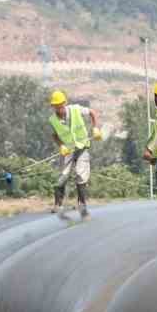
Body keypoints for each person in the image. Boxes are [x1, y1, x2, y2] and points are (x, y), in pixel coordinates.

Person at [47, 89, 101, 218]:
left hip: (82, 147)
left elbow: (92, 113)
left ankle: (82, 204)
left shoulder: (76, 109)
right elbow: (54, 135)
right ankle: (57, 204)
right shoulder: (53, 120)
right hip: (68, 150)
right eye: (56, 106)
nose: (59, 108)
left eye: (60, 105)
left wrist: (95, 128)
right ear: (53, 106)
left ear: (64, 103)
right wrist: (61, 146)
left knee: (81, 175)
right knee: (63, 175)